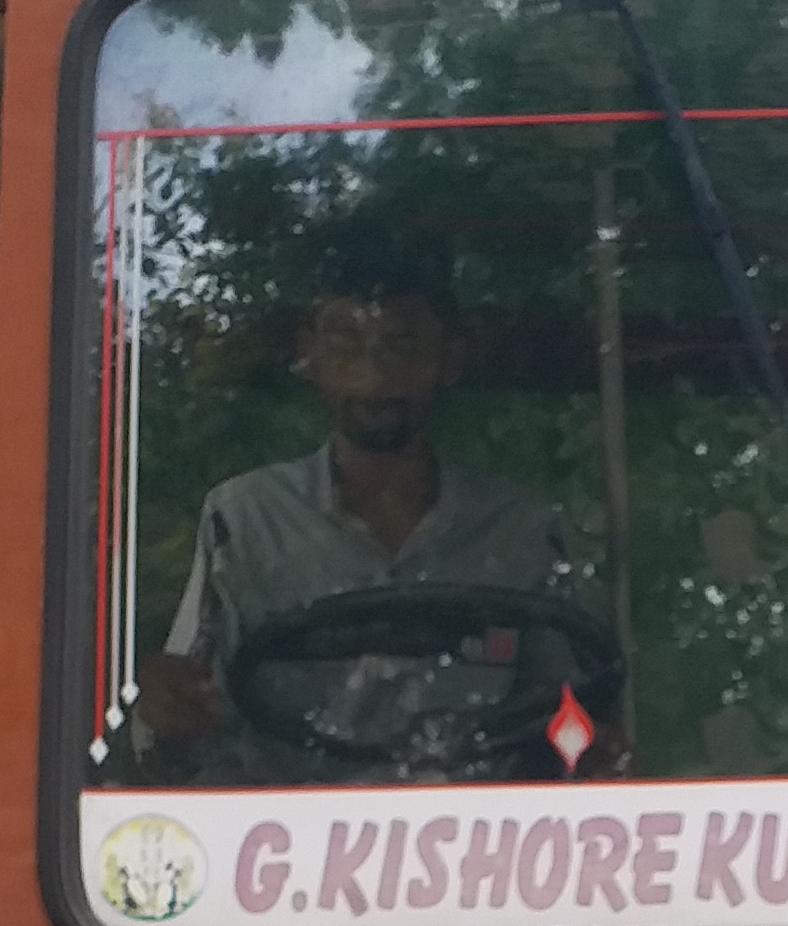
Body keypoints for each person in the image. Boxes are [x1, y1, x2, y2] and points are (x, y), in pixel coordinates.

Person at [133, 219, 589, 774]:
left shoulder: (523, 531)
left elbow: (574, 723)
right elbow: (182, 720)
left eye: (403, 341)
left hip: (483, 848)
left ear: (449, 357)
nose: (374, 373)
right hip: (288, 846)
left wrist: (592, 747)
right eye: (347, 340)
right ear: (309, 355)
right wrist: (166, 700)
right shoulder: (244, 518)